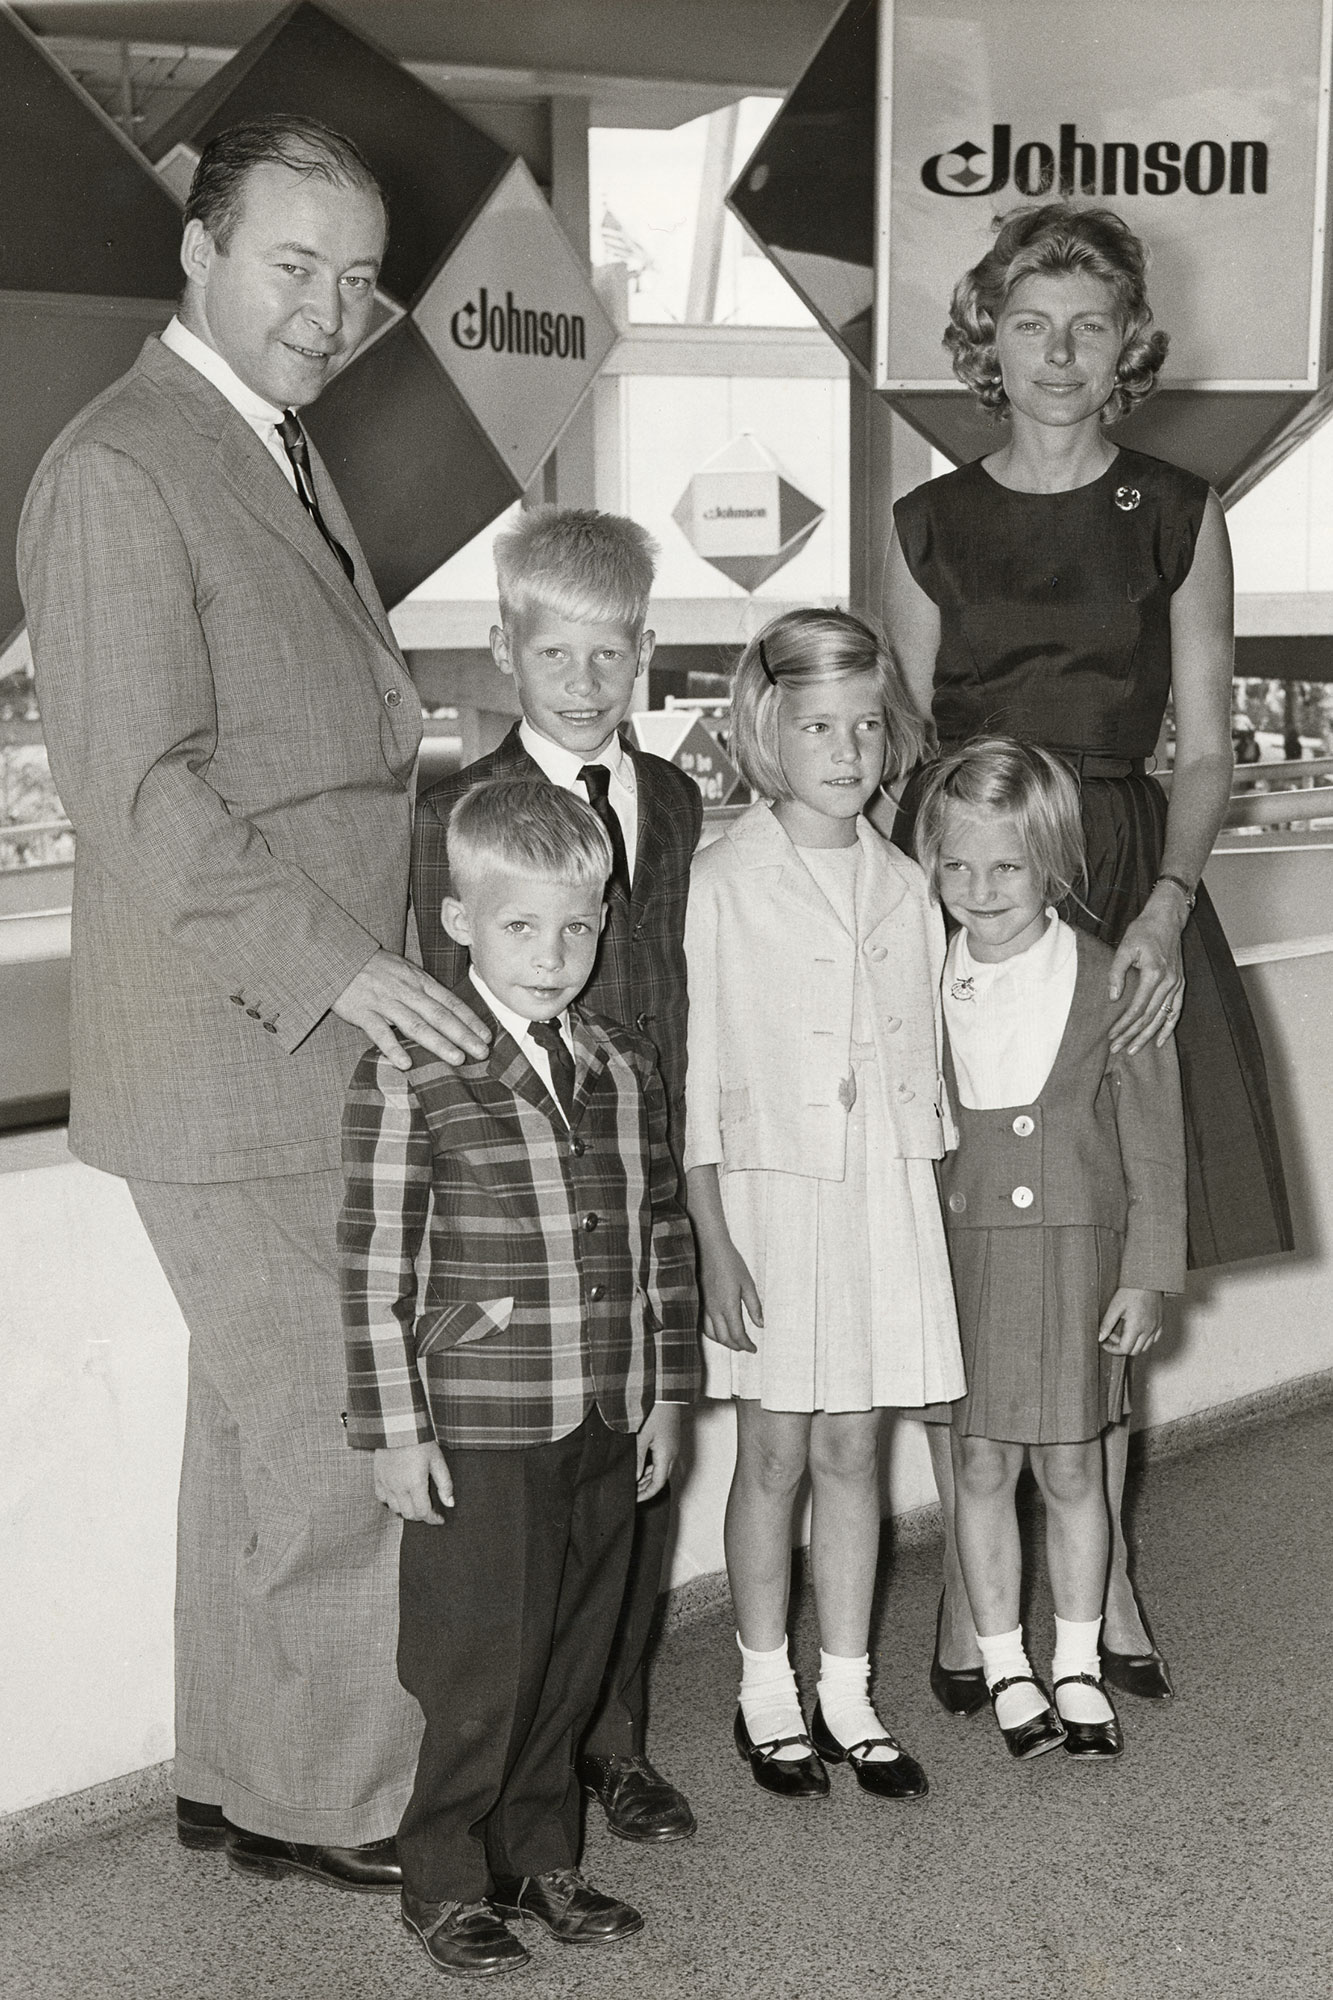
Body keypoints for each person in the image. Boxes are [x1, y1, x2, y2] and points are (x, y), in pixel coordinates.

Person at [18, 116, 493, 1888]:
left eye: (358, 279)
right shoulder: (124, 466)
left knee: (258, 1438)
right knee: (342, 1440)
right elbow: (134, 789)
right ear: (200, 251)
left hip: (285, 1042)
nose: (329, 307)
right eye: (296, 265)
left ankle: (245, 1773)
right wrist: (345, 964)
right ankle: (347, 1803)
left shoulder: (261, 444)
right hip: (248, 1038)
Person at [885, 203, 1293, 1707]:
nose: (1057, 354)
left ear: (1130, 344)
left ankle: (1105, 1571)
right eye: (1028, 322)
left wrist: (1172, 904)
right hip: (971, 885)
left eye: (1087, 324)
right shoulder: (925, 524)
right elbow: (899, 749)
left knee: (1102, 1230)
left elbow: (1201, 743)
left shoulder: (1179, 510)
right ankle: (964, 1589)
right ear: (983, 339)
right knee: (960, 1243)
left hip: (1124, 880)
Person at [340, 779, 699, 1978]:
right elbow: (375, 1259)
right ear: (458, 921)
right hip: (484, 1419)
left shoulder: (622, 1060)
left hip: (606, 1406)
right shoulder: (411, 1066)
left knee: (575, 1646)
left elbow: (658, 1233)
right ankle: (445, 1874)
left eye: (578, 927)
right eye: (520, 928)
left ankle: (544, 1853)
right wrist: (395, 1429)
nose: (554, 957)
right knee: (481, 1658)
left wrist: (666, 1390)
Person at [411, 507, 702, 1844]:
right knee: (530, 1529)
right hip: (519, 1207)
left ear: (643, 649)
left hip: (643, 1168)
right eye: (556, 652)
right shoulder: (451, 813)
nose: (586, 680)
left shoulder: (679, 798)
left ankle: (615, 1743)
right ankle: (514, 1771)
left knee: (633, 1490)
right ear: (502, 648)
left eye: (612, 652)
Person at [683, 609, 964, 1800]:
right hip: (768, 1201)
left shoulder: (907, 882)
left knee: (857, 1444)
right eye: (816, 727)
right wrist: (710, 1236)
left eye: (862, 726)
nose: (843, 751)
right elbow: (694, 1069)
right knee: (776, 1450)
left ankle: (846, 1684)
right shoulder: (720, 879)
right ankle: (764, 1686)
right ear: (767, 730)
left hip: (880, 1196)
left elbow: (928, 1063)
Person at [914, 739, 1186, 1761]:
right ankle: (1004, 1660)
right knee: (977, 1461)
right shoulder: (919, 976)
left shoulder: (1109, 971)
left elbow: (1152, 1138)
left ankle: (1075, 1659)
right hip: (963, 1251)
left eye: (1007, 868)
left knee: (1076, 1464)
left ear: (1053, 864)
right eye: (956, 866)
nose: (979, 891)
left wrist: (1146, 1272)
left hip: (1078, 1251)